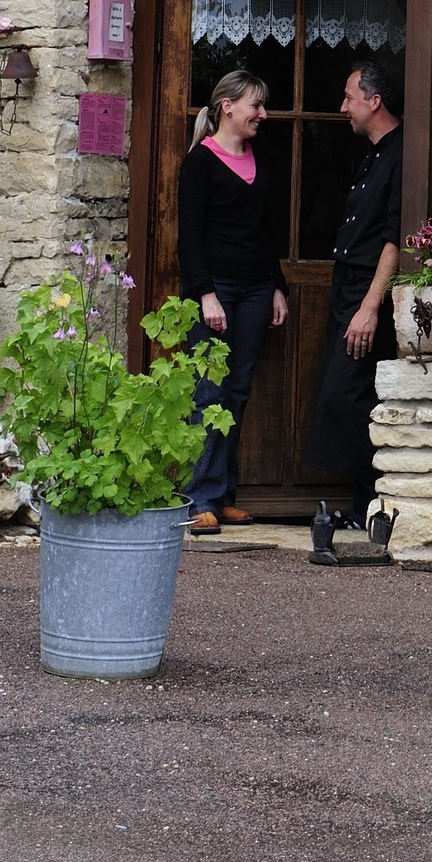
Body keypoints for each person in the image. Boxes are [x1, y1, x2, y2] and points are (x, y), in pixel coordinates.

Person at [178, 69, 288, 536]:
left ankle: (223, 497)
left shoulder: (261, 159)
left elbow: (267, 234)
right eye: (255, 106)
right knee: (209, 393)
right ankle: (199, 498)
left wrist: (278, 285)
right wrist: (205, 293)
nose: (262, 114)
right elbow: (189, 237)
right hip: (215, 290)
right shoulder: (200, 163)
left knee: (237, 393)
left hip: (256, 290)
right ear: (228, 107)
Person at [306, 55, 402, 525]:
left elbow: (396, 238)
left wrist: (369, 308)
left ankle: (374, 506)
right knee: (351, 397)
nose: (342, 106)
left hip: (368, 295)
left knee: (348, 397)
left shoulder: (402, 152)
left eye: (349, 97)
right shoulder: (375, 152)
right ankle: (367, 507)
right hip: (347, 291)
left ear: (374, 101)